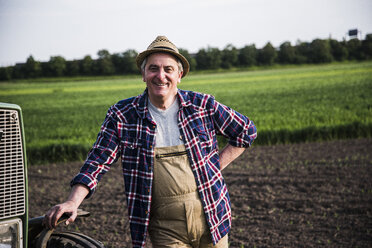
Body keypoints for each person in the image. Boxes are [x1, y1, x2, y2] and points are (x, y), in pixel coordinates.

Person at [43, 35, 257, 248]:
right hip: (166, 230)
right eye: (153, 68)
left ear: (179, 75)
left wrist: (215, 167)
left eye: (168, 69)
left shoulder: (202, 106)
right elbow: (97, 162)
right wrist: (73, 201)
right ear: (143, 74)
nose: (160, 76)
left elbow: (246, 131)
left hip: (213, 221)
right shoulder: (123, 115)